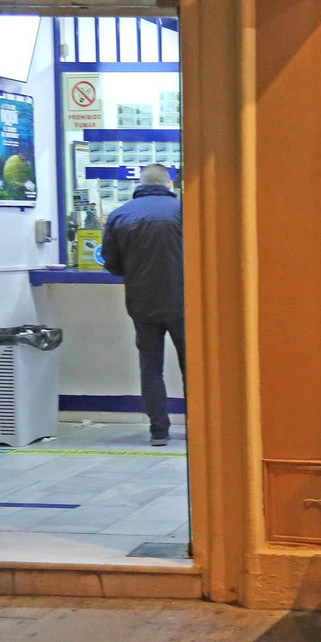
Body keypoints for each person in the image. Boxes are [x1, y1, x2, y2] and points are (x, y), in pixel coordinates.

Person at [101, 164, 185, 448]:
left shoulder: (120, 214)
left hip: (142, 304)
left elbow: (112, 265)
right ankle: (199, 427)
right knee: (193, 368)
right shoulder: (185, 212)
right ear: (168, 184)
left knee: (151, 368)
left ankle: (158, 430)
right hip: (184, 303)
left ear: (140, 184)